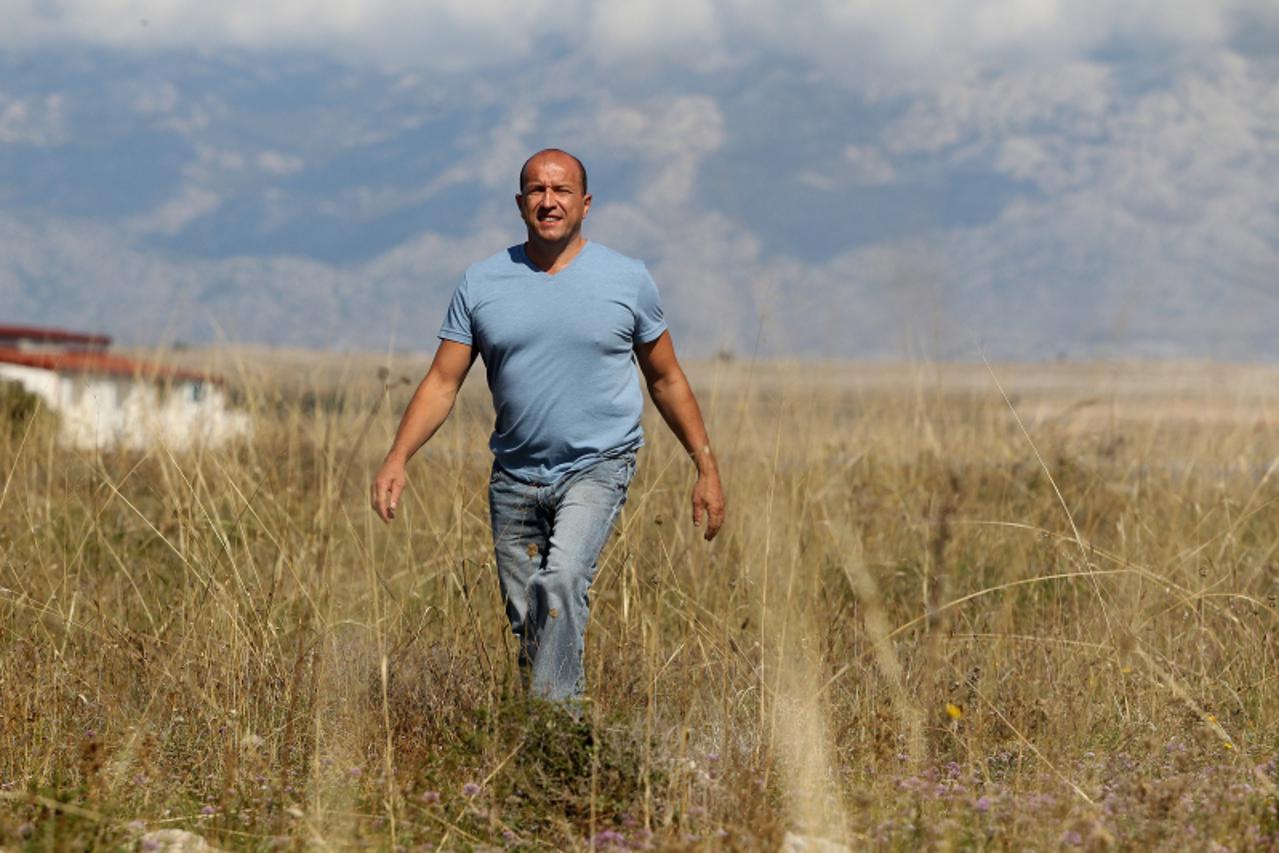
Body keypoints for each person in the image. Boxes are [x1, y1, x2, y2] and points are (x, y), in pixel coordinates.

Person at [371, 148, 725, 704]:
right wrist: (398, 457)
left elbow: (666, 379)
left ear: (585, 204)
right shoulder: (482, 282)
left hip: (598, 464)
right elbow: (443, 382)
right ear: (520, 204)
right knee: (531, 624)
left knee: (558, 586)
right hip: (514, 475)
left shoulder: (627, 279)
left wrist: (705, 464)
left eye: (561, 191)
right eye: (536, 190)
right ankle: (549, 748)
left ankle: (559, 743)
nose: (548, 200)